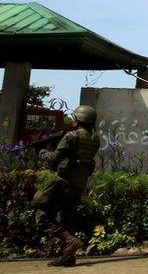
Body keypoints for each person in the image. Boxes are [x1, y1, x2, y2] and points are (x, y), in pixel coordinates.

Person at [32, 105, 100, 267]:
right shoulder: (94, 139)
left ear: (79, 120)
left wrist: (41, 151)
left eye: (75, 118)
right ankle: (68, 257)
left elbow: (54, 158)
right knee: (66, 219)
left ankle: (70, 241)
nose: (73, 120)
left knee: (42, 217)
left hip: (64, 182)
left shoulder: (71, 137)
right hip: (79, 184)